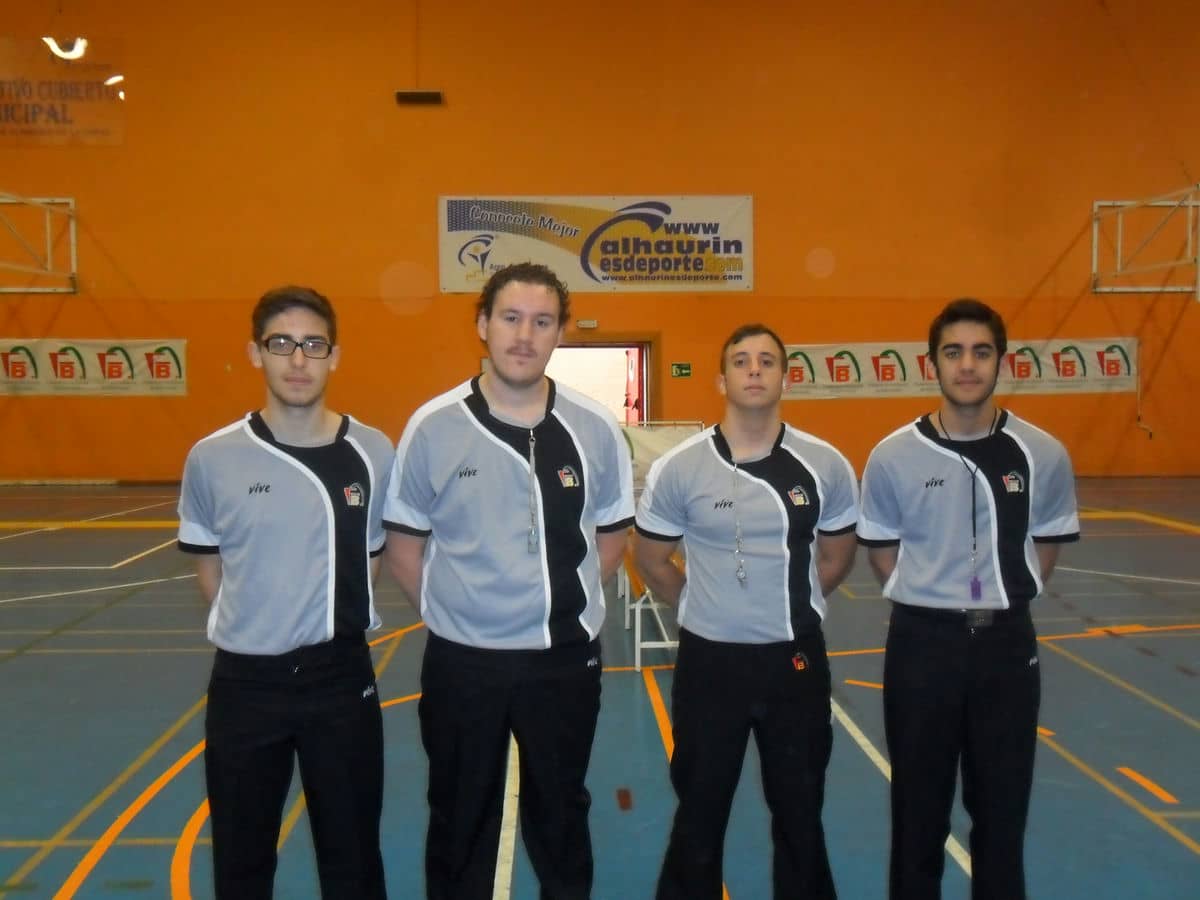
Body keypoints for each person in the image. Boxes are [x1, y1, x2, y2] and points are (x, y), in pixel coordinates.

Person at [383, 262, 634, 900]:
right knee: (460, 820)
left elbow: (610, 538)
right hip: (464, 666)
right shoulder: (433, 426)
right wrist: (460, 616)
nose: (525, 335)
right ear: (483, 325)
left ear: (559, 333)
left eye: (542, 321)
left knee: (561, 821)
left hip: (563, 663)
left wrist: (552, 608)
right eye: (511, 318)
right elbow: (404, 546)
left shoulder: (595, 427)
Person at [857, 298, 1080, 900]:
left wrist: (1000, 601)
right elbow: (883, 554)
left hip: (1007, 651)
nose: (967, 365)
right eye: (953, 352)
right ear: (932, 364)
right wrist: (934, 598)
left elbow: (1045, 547)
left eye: (981, 352)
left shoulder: (1043, 454)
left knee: (1002, 816)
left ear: (1001, 362)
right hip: (922, 648)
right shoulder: (892, 455)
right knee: (917, 816)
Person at [177, 285, 393, 899]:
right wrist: (261, 632)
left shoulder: (373, 452)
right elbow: (210, 571)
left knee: (352, 860)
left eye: (312, 345)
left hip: (341, 681)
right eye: (281, 344)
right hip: (246, 689)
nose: (297, 360)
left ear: (334, 356)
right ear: (255, 353)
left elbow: (368, 560)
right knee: (243, 864)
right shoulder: (213, 458)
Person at [634, 323, 859, 900]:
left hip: (795, 664)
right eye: (741, 360)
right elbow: (652, 559)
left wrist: (789, 610)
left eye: (766, 361)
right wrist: (705, 608)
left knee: (800, 813)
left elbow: (835, 557)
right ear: (722, 378)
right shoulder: (680, 467)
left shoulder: (824, 464)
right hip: (711, 667)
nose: (754, 370)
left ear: (786, 376)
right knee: (700, 814)